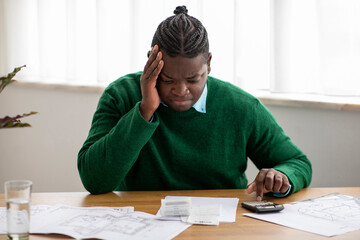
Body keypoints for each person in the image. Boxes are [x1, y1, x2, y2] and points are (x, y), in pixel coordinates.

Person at [78, 6, 312, 200]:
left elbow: (297, 162)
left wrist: (282, 176)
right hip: (144, 222)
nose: (181, 90)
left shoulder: (241, 106)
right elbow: (94, 180)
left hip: (222, 226)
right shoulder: (120, 95)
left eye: (193, 79)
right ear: (151, 62)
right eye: (167, 79)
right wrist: (145, 110)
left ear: (208, 64)